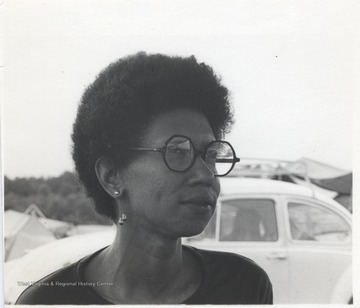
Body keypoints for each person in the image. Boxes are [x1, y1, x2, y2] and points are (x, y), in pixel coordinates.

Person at [16, 52, 273, 305]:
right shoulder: (48, 301)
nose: (206, 175)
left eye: (211, 155)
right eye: (178, 151)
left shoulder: (245, 286)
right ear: (112, 177)